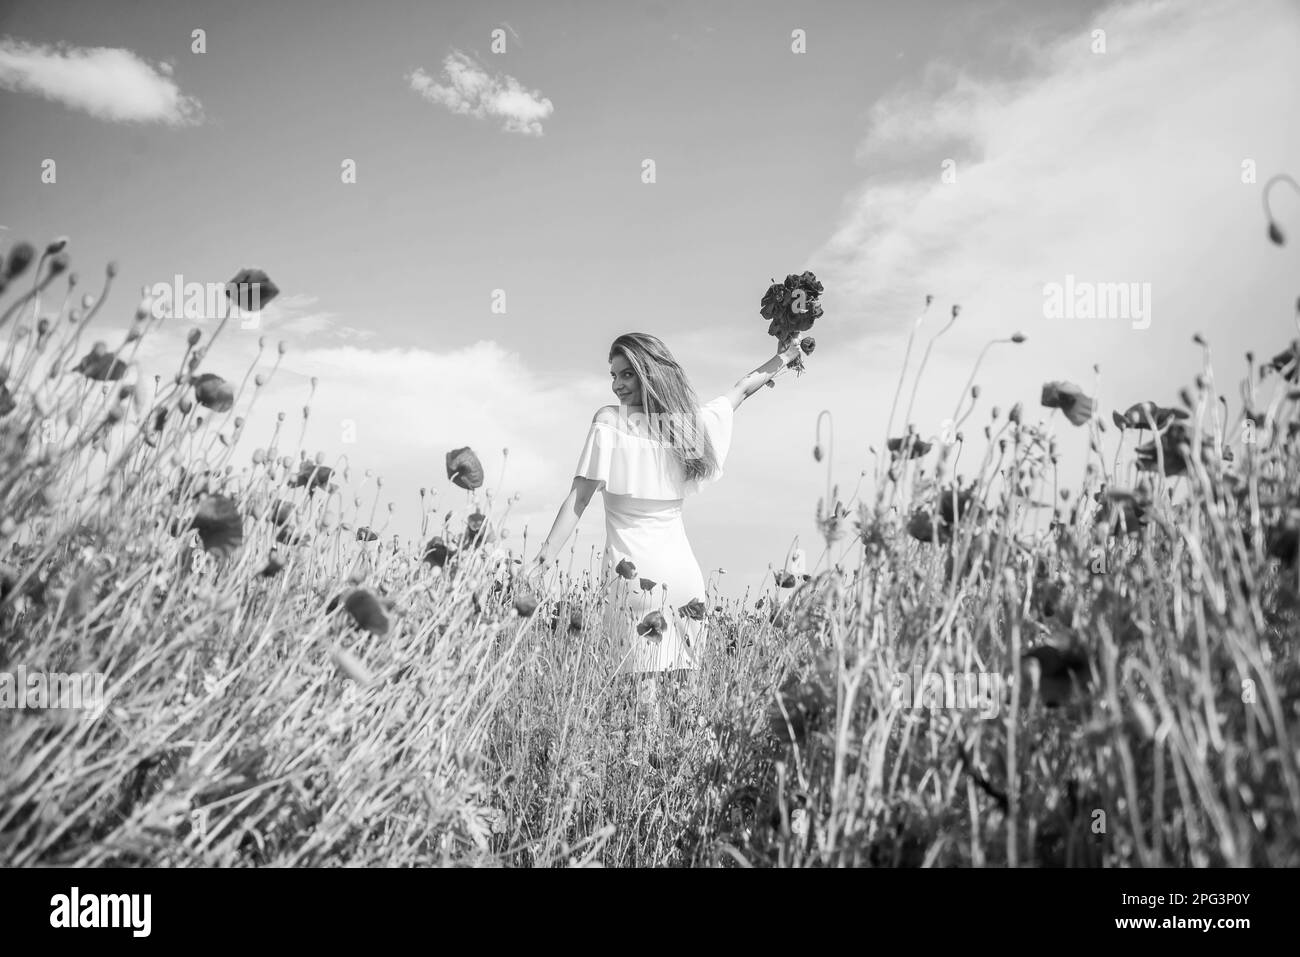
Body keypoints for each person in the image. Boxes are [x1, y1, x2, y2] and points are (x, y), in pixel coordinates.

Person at [527, 332, 807, 690]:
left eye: (626, 374)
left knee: (646, 708)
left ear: (648, 373)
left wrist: (543, 561)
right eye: (613, 375)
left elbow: (578, 500)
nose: (617, 385)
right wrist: (783, 357)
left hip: (633, 578)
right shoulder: (685, 427)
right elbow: (740, 391)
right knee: (686, 702)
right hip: (683, 577)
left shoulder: (610, 421)